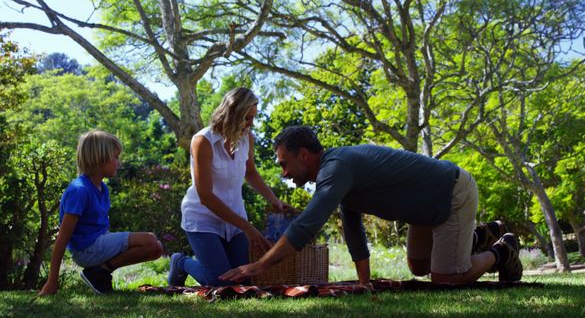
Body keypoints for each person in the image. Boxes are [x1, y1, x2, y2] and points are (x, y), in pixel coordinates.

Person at [221, 125, 522, 285]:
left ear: (304, 155)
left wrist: (260, 265)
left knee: (445, 279)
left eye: (284, 164)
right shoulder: (337, 174)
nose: (283, 173)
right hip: (425, 211)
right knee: (419, 268)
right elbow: (352, 228)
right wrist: (364, 282)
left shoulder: (336, 168)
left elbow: (306, 225)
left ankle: (503, 250)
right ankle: (479, 236)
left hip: (452, 192)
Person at [167, 87, 289, 287]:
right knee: (221, 283)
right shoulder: (202, 141)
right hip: (202, 218)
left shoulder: (246, 138)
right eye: (247, 118)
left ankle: (197, 265)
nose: (251, 124)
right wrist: (247, 227)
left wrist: (274, 201)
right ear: (233, 115)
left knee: (244, 280)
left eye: (253, 118)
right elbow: (205, 196)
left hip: (235, 218)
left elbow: (250, 173)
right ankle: (180, 262)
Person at [39, 130, 163, 295]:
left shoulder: (102, 188)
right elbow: (62, 238)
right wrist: (52, 281)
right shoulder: (80, 191)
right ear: (99, 158)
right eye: (115, 157)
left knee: (156, 248)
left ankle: (100, 272)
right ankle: (98, 273)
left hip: (98, 243)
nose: (118, 162)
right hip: (86, 250)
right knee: (149, 240)